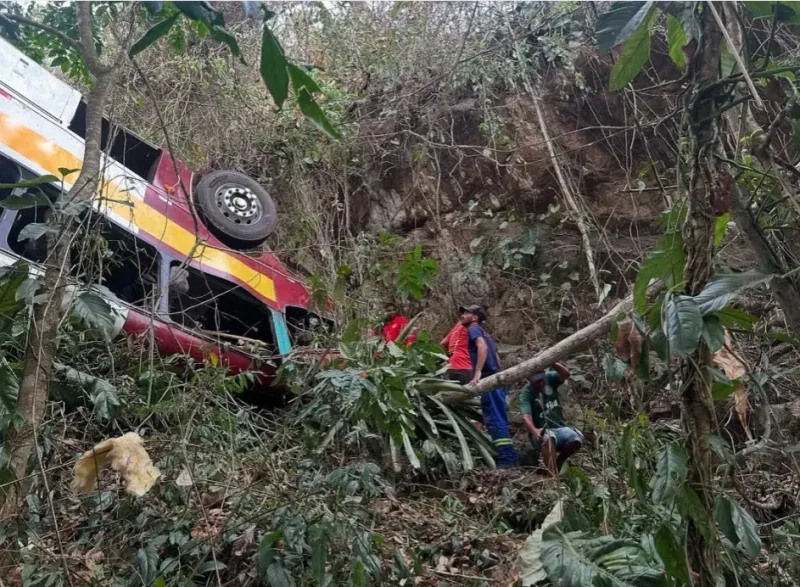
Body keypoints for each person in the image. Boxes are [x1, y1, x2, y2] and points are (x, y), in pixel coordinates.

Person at [459, 304, 520, 468]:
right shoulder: (487, 334)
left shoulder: (474, 329)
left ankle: (507, 461)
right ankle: (510, 458)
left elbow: (482, 348)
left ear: (475, 317)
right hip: (497, 381)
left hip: (489, 381)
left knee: (495, 419)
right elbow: (498, 359)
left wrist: (478, 371)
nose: (462, 315)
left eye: (466, 312)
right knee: (498, 418)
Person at [519, 363, 581, 477]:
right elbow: (526, 416)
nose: (541, 383)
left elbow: (566, 374)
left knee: (576, 439)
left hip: (559, 428)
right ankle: (552, 476)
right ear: (530, 380)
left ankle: (559, 461)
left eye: (541, 380)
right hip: (542, 432)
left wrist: (552, 361)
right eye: (537, 381)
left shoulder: (549, 378)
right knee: (548, 437)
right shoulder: (526, 393)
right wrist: (535, 431)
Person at [440, 320, 472, 384]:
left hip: (451, 366)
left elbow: (442, 343)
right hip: (465, 366)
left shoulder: (456, 327)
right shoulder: (472, 326)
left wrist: (450, 353)